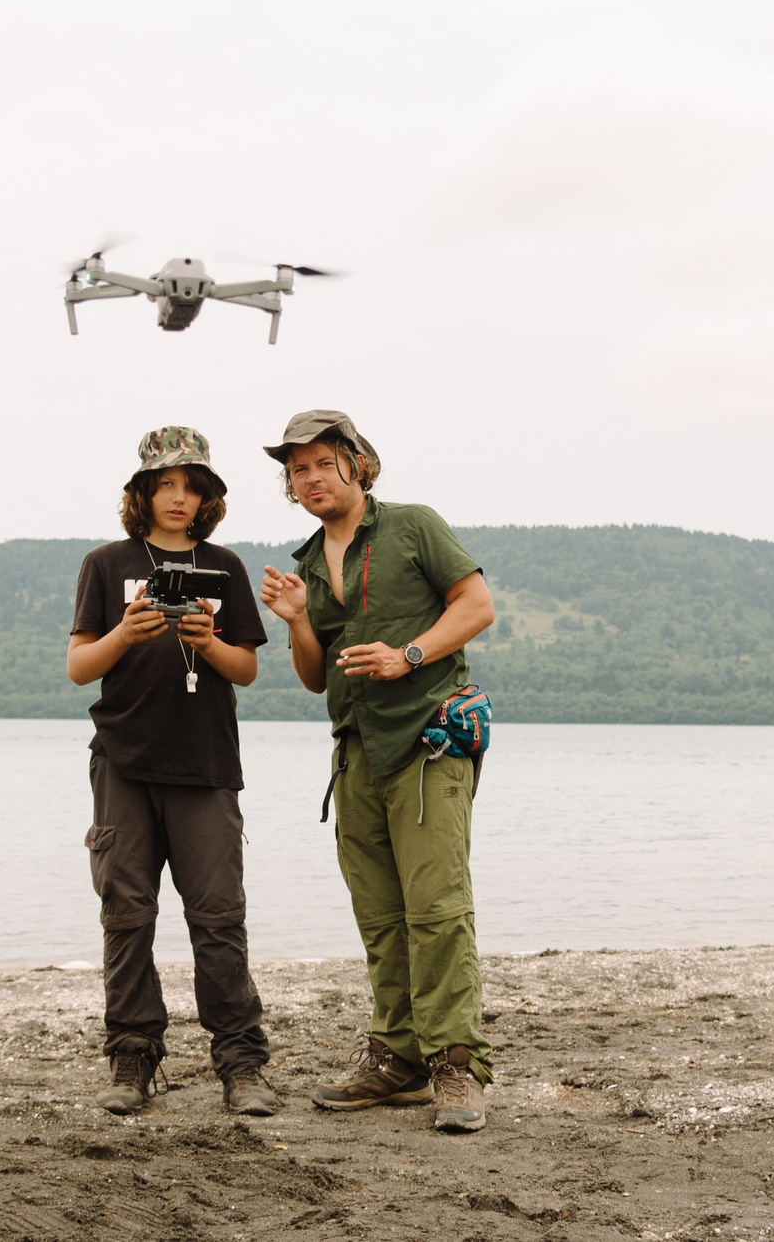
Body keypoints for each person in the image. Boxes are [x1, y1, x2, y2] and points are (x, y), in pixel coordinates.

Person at [254, 411, 500, 1134]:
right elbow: (313, 678)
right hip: (356, 751)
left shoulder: (413, 525)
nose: (310, 479)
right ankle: (398, 1059)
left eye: (323, 463)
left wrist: (408, 655)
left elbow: (477, 605)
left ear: (357, 464)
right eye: (298, 470)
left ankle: (455, 1063)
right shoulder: (306, 564)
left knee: (437, 909)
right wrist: (299, 621)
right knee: (381, 916)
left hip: (429, 739)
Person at [66, 428, 277, 1116]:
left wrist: (208, 642)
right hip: (122, 761)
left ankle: (241, 1063)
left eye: (191, 486)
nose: (179, 497)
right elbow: (78, 667)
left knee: (218, 917)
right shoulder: (106, 564)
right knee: (126, 915)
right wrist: (124, 633)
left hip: (206, 763)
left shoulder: (226, 566)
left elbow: (246, 669)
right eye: (165, 485)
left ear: (208, 496)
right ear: (143, 493)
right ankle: (132, 1055)